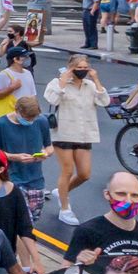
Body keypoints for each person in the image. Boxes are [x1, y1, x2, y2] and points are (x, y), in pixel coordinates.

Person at [43, 57, 108, 227]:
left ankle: (62, 191)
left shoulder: (90, 85)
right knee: (67, 170)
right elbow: (52, 100)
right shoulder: (56, 83)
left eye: (86, 67)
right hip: (63, 132)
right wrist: (63, 83)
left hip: (85, 133)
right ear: (70, 68)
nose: (83, 70)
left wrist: (96, 79)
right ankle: (65, 209)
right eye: (79, 67)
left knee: (85, 174)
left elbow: (104, 101)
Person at [0, 95, 54, 224]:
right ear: (17, 110)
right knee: (24, 222)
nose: (30, 121)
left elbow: (49, 146)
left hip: (36, 180)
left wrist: (45, 153)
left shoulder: (41, 121)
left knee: (32, 220)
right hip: (12, 179)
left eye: (33, 118)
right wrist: (14, 157)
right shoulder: (0, 124)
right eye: (27, 118)